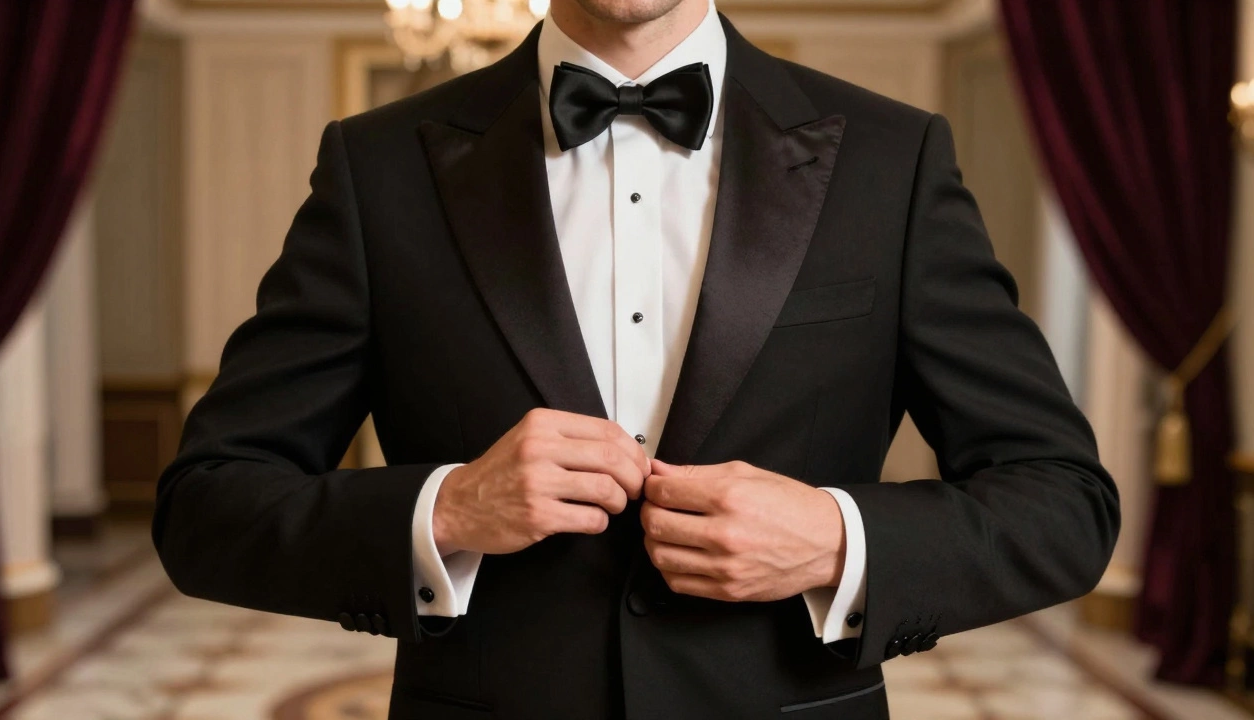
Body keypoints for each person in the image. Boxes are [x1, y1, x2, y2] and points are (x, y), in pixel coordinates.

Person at [153, 0, 1120, 717]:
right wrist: (446, 509)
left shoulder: (892, 160)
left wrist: (833, 538)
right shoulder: (378, 168)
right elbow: (208, 504)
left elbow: (1063, 499)